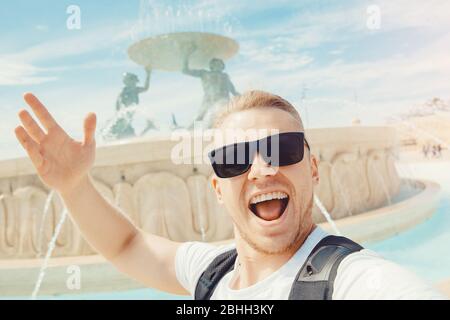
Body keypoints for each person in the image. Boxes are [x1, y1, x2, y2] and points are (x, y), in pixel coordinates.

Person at [14, 91, 445, 299]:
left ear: (313, 169)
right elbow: (128, 245)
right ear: (217, 189)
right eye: (235, 159)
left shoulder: (356, 282)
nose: (261, 169)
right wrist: (74, 187)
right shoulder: (211, 273)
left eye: (283, 149)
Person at [182, 45, 239, 127]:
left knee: (216, 118)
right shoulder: (204, 73)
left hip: (223, 102)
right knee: (199, 118)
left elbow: (234, 92)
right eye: (215, 63)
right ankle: (190, 133)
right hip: (208, 100)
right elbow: (185, 70)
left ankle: (211, 132)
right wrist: (187, 54)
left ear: (223, 66)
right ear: (211, 66)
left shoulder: (225, 76)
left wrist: (247, 99)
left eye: (220, 63)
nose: (218, 64)